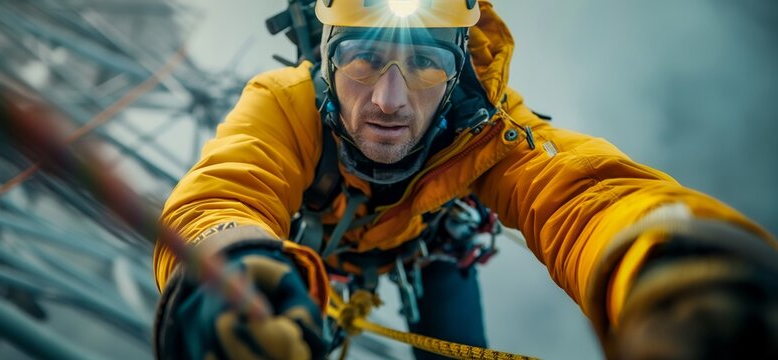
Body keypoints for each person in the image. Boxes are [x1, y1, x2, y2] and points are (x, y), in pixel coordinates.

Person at [153, 1, 777, 359]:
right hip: (304, 249)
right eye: (365, 59)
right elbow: (226, 191)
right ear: (326, 61)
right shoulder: (285, 100)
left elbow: (578, 192)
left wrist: (667, 264)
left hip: (430, 247)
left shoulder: (486, 127)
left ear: (458, 78)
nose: (390, 100)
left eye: (425, 64)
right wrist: (224, 265)